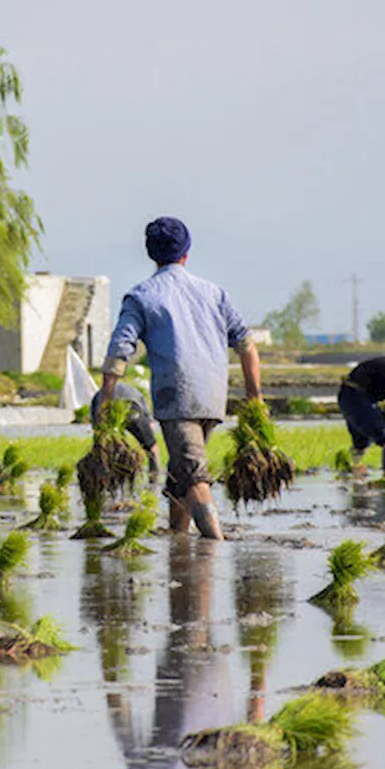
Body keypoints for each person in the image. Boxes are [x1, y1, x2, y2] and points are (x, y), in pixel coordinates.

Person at [100, 216, 261, 541]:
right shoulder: (214, 293)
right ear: (186, 253)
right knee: (180, 472)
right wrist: (254, 397)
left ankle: (214, 546)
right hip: (214, 396)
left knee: (194, 476)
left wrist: (106, 396)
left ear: (151, 254)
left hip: (177, 396)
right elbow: (247, 346)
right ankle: (178, 540)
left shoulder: (141, 295)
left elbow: (121, 348)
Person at [90, 380, 162, 481]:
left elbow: (97, 427)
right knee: (152, 448)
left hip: (126, 406)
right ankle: (154, 478)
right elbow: (149, 423)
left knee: (105, 446)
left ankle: (106, 475)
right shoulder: (136, 395)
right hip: (120, 407)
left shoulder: (98, 396)